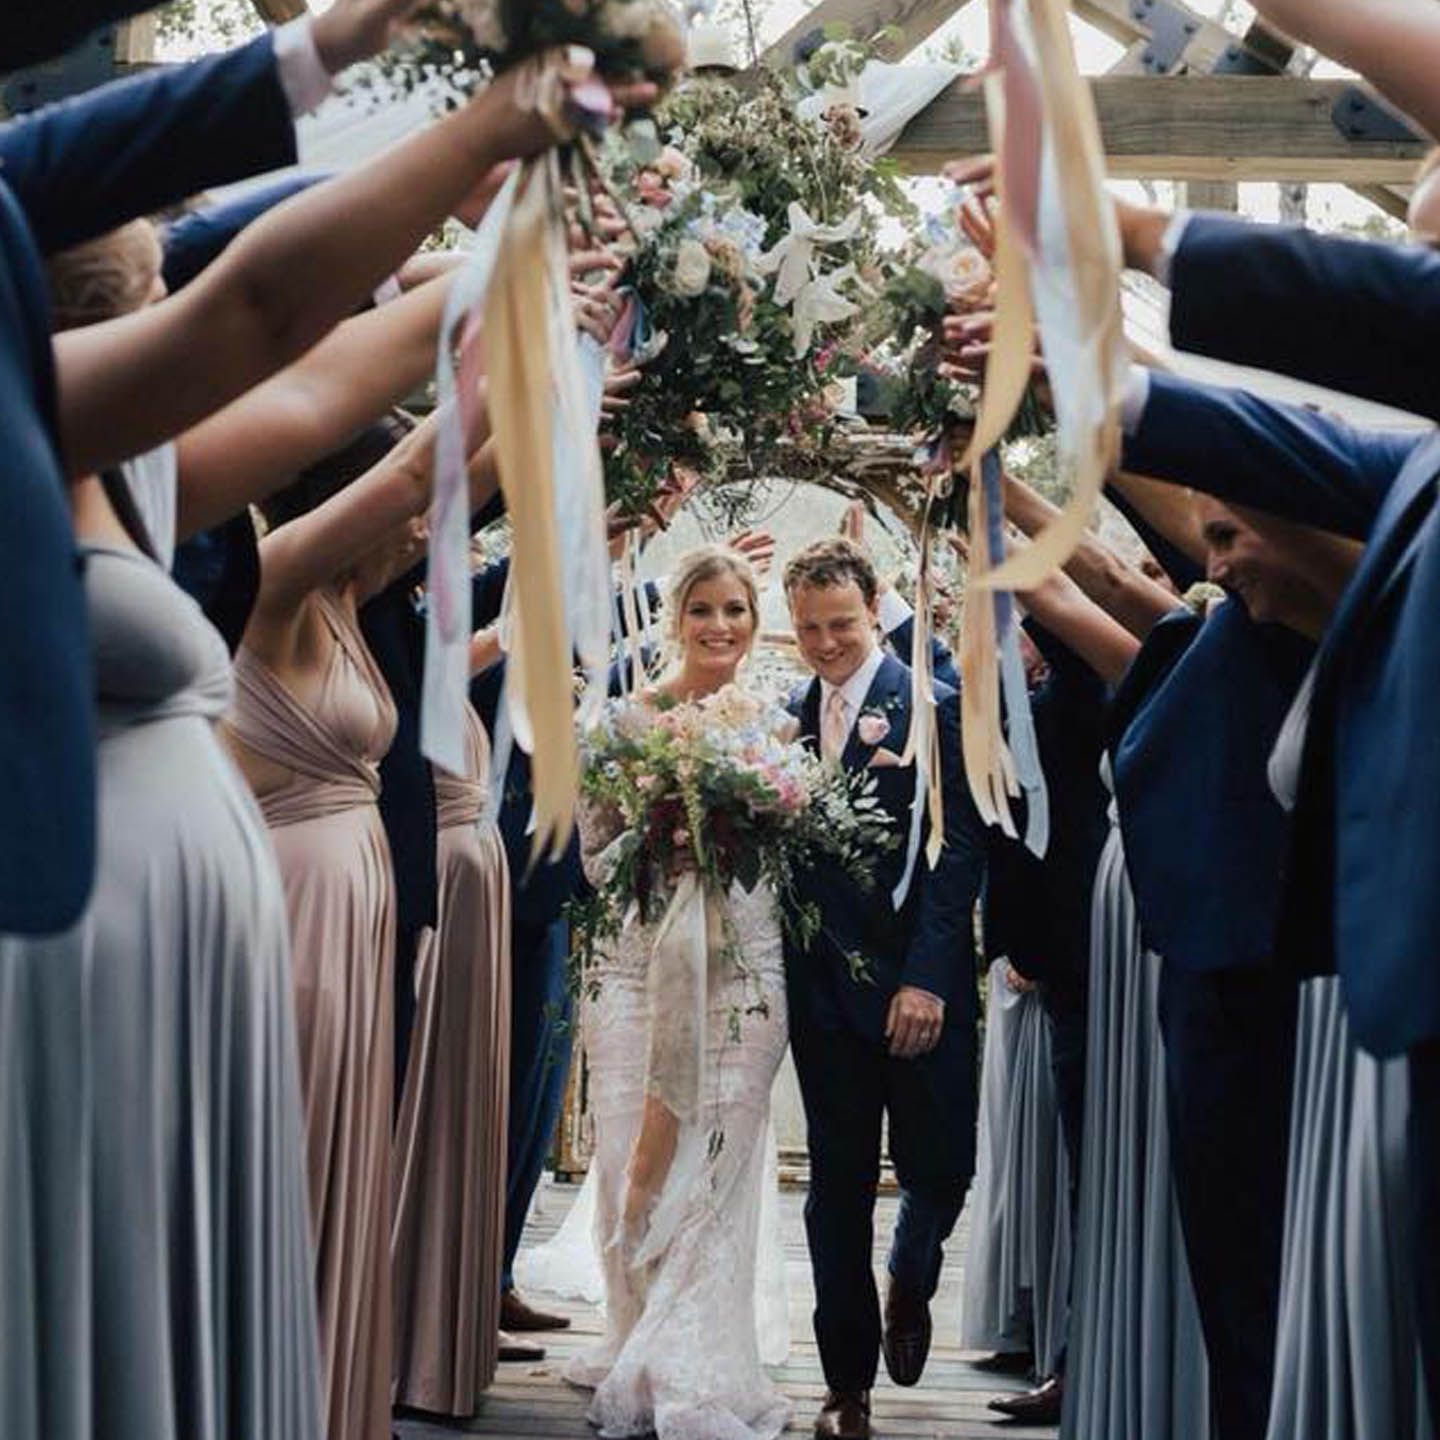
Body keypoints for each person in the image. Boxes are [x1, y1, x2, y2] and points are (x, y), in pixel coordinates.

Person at [0, 196, 324, 1440]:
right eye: (151, 303)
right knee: (105, 1287)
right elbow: (261, 319)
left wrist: (501, 288)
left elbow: (315, 384)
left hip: (168, 957)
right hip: (83, 945)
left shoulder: (120, 460)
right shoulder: (37, 426)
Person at [565, 544, 792, 1440]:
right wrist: (666, 842)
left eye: (735, 609)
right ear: (676, 619)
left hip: (744, 962)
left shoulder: (775, 721)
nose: (720, 627)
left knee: (719, 1161)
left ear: (753, 618)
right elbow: (593, 856)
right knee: (634, 1155)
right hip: (636, 963)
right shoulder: (627, 720)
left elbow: (792, 848)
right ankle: (638, 1341)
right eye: (704, 609)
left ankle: (697, 1365)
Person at [783, 537, 986, 1440]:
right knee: (835, 1189)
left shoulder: (932, 710)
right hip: (825, 994)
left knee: (940, 1165)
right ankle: (846, 1387)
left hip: (917, 989)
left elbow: (960, 853)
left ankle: (914, 1267)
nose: (827, 644)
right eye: (809, 629)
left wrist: (930, 982)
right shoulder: (789, 717)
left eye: (843, 625)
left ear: (877, 614)